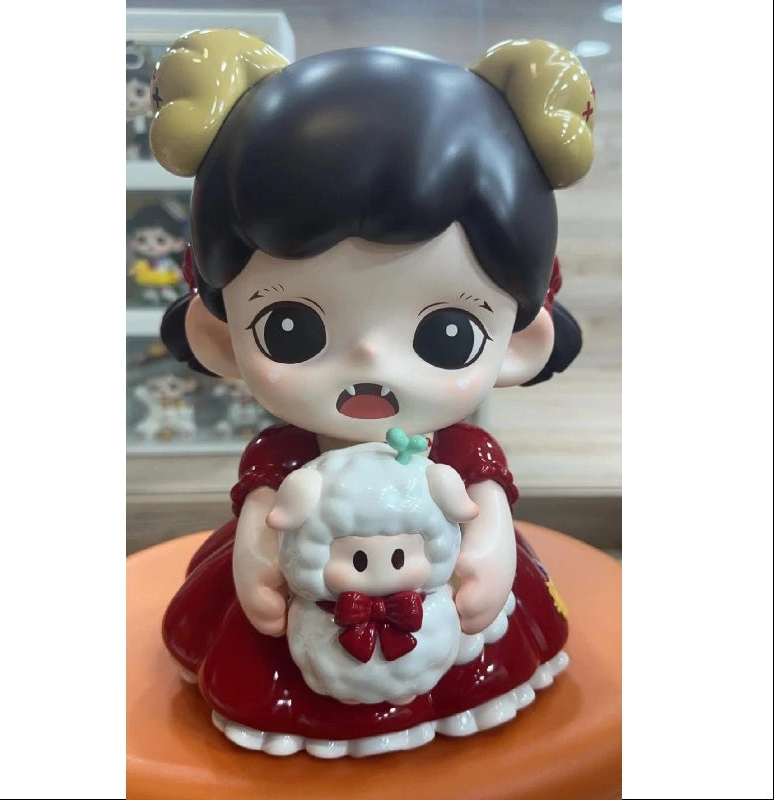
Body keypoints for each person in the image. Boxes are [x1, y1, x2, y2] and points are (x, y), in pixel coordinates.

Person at [150, 28, 596, 757]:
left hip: (444, 610)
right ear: (220, 335)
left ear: (519, 343)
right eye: (290, 328)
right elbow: (263, 513)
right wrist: (257, 563)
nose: (368, 362)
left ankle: (464, 693)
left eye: (446, 335)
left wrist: (490, 556)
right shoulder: (285, 455)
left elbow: (485, 506)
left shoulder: (460, 451)